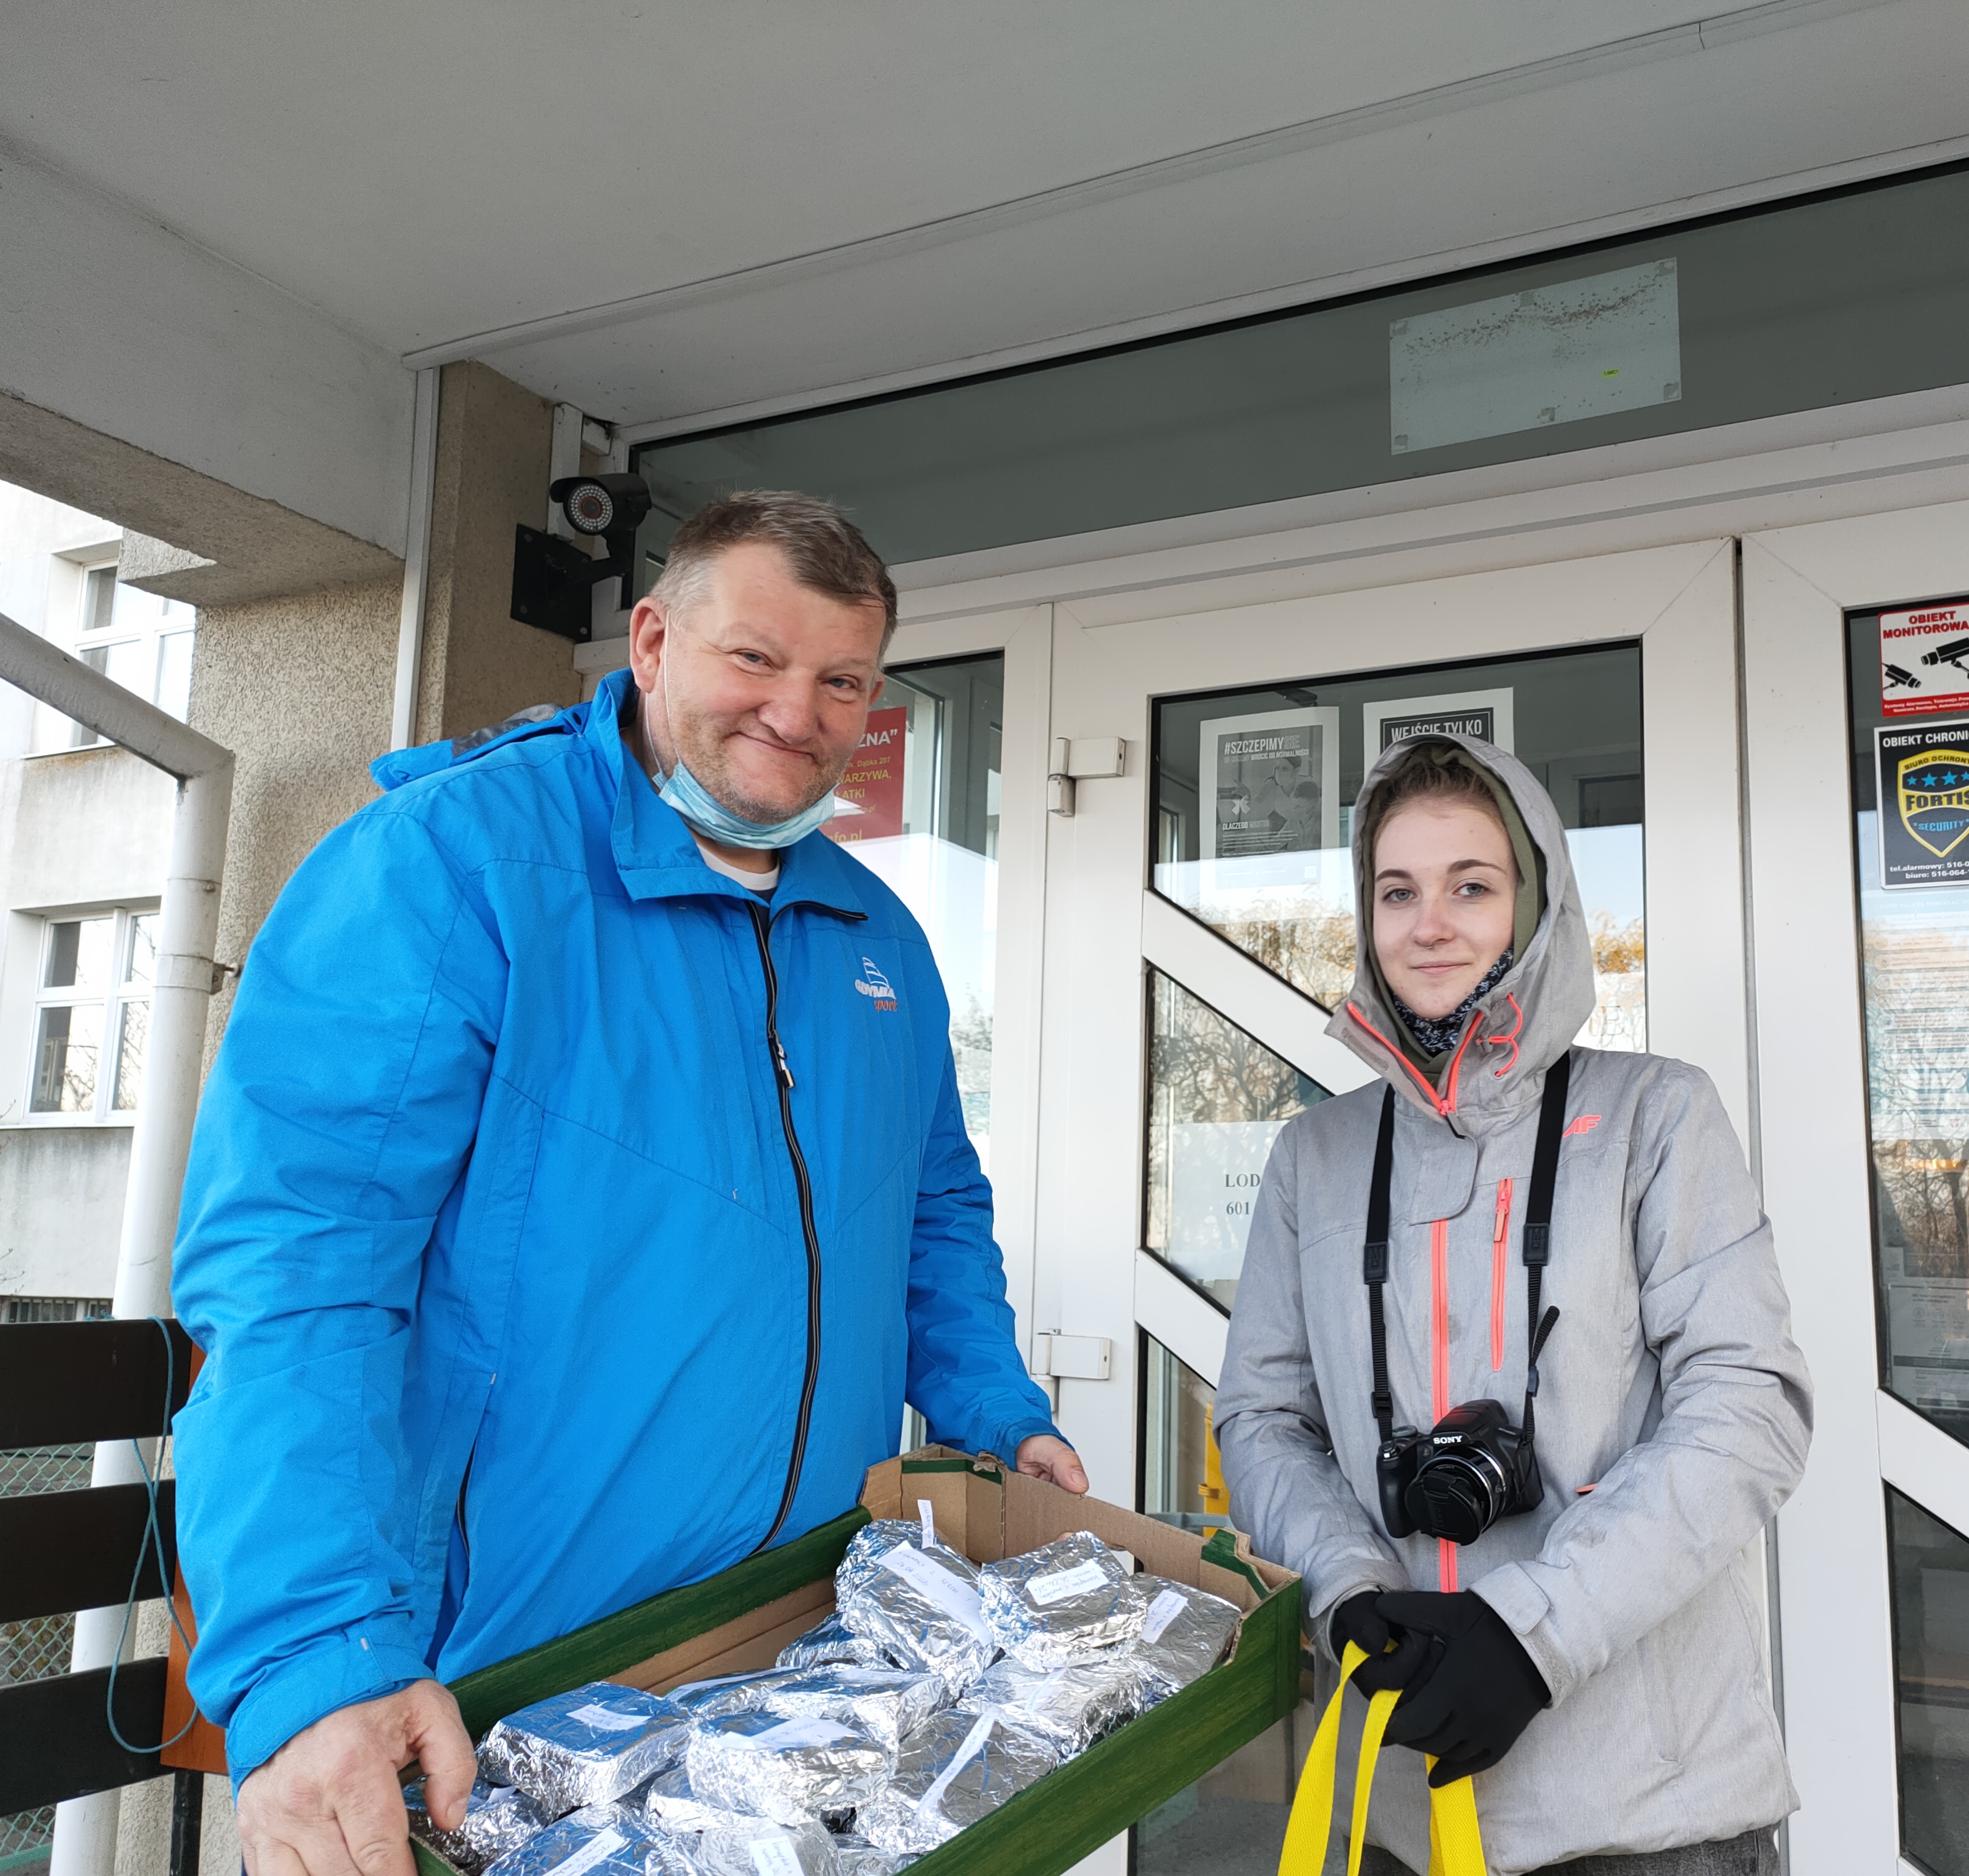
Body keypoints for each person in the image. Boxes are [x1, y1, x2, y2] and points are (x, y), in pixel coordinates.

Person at [172, 492, 1084, 1876]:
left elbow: (931, 1208)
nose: (800, 711)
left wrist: (991, 1407)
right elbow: (299, 1280)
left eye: (842, 680)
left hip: (789, 1653)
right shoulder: (450, 865)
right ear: (651, 640)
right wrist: (311, 1654)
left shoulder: (874, 923)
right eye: (755, 659)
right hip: (496, 1681)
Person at [1214, 734, 1812, 1875]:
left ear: (1534, 906)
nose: (1428, 923)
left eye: (1470, 887)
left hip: (1648, 1817)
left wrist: (1530, 1635)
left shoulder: (1656, 1120)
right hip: (1394, 1799)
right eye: (1398, 892)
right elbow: (1262, 1421)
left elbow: (1750, 1408)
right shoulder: (1317, 1157)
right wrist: (1348, 1593)